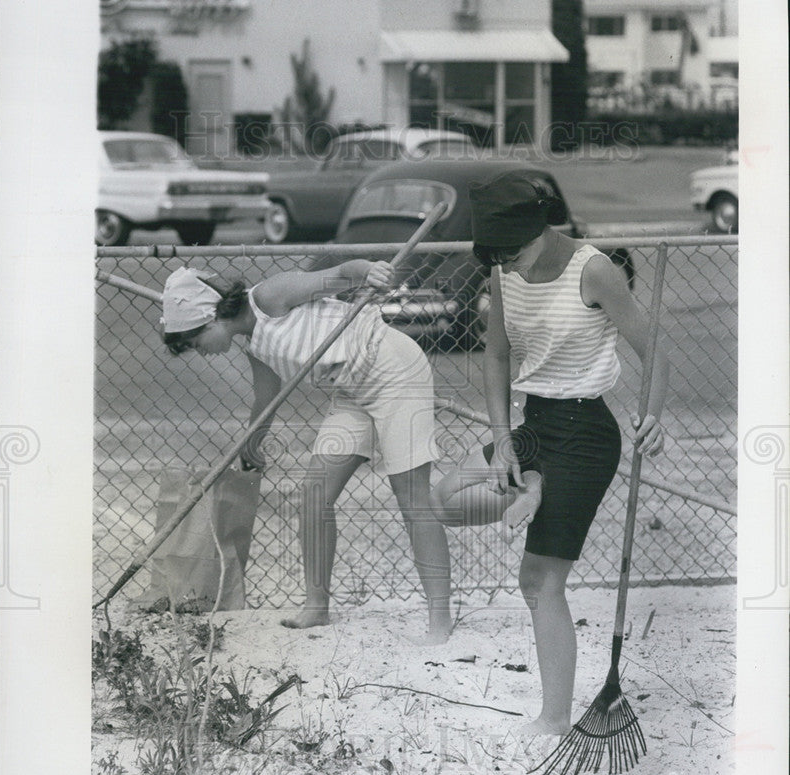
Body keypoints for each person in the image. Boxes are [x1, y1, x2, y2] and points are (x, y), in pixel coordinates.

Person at [431, 170, 669, 736]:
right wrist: (503, 436)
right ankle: (530, 485)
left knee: (538, 582)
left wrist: (654, 414)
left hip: (586, 431)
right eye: (495, 258)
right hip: (533, 422)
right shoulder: (501, 269)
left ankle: (555, 717)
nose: (505, 267)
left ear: (538, 229)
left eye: (510, 253)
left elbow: (654, 348)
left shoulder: (594, 270)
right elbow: (495, 358)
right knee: (444, 500)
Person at [160, 260, 453, 643]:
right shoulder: (253, 343)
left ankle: (440, 617)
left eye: (198, 344)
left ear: (211, 317)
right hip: (351, 392)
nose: (203, 354)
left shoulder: (269, 296)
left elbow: (342, 274)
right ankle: (317, 606)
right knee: (314, 494)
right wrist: (253, 442)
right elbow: (267, 397)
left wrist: (371, 271)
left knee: (412, 498)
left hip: (392, 368)